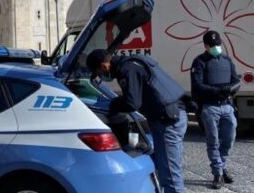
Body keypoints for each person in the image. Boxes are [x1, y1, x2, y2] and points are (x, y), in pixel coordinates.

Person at [87, 49, 188, 193]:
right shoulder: (134, 61)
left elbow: (131, 103)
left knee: (170, 174)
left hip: (167, 120)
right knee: (165, 167)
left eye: (100, 73)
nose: (103, 76)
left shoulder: (126, 69)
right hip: (172, 115)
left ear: (103, 66)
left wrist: (113, 104)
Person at [190, 31, 241, 190]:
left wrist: (231, 88)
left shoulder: (227, 60)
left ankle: (222, 165)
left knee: (229, 139)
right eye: (212, 46)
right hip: (210, 106)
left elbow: (236, 80)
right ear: (205, 46)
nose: (215, 48)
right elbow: (197, 85)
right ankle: (218, 173)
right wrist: (217, 90)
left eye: (217, 45)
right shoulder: (199, 62)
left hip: (227, 106)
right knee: (213, 141)